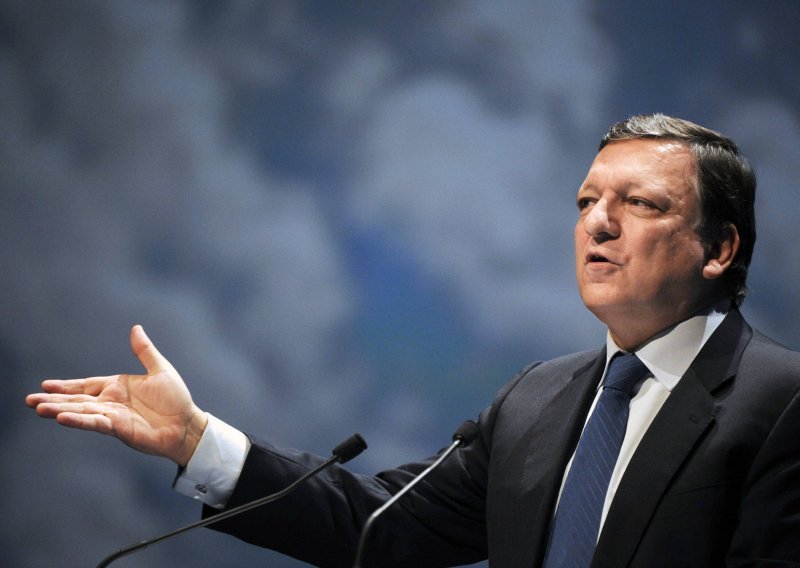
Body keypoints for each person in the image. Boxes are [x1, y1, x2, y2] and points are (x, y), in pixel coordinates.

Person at [26, 114, 800, 567]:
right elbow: (376, 523)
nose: (598, 223)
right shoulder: (536, 400)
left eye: (640, 204)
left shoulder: (781, 402)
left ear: (719, 248)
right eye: (587, 201)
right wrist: (195, 440)